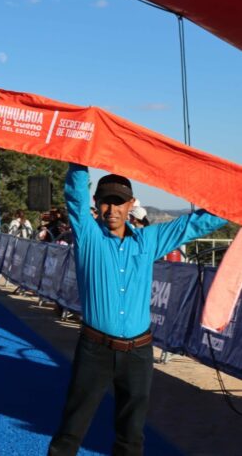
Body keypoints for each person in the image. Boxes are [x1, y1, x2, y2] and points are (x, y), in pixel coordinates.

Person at [48, 164, 226, 456]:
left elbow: (195, 225)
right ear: (96, 203)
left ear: (131, 204)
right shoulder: (88, 236)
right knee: (71, 430)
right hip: (95, 350)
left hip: (139, 353)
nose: (112, 209)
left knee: (131, 436)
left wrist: (235, 200)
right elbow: (75, 195)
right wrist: (79, 156)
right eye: (106, 201)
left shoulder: (149, 240)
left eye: (119, 202)